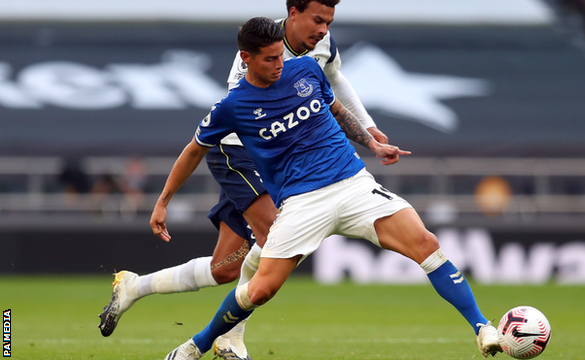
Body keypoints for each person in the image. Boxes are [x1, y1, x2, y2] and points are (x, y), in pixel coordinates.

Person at [151, 17, 502, 360]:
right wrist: (163, 201)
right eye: (270, 59)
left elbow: (336, 109)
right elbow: (194, 150)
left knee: (426, 243)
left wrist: (372, 143)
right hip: (302, 203)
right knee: (259, 290)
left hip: (353, 184)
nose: (279, 64)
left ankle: (482, 326)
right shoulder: (232, 107)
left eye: (280, 56)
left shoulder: (306, 69)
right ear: (247, 58)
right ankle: (195, 347)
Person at [98, 1, 388, 359]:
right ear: (293, 13)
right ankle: (229, 338)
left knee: (226, 268)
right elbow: (239, 115)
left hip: (278, 161)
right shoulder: (256, 53)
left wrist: (369, 127)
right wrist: (163, 200)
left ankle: (134, 286)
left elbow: (335, 79)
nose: (323, 29)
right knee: (275, 234)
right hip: (240, 154)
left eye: (329, 21)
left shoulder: (321, 49)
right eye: (318, 19)